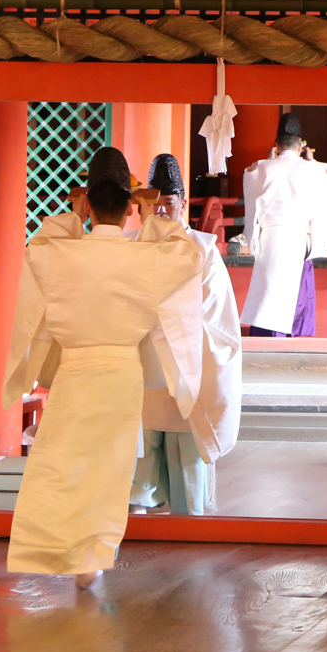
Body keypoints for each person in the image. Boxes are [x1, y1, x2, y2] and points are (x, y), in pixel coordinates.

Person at [2, 178, 203, 589]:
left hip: (76, 372)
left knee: (61, 463)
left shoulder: (59, 251)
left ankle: (53, 551)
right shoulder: (145, 257)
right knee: (110, 468)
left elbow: (39, 244)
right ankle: (92, 557)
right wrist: (151, 219)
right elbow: (185, 252)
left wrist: (75, 216)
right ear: (131, 207)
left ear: (88, 205)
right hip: (120, 372)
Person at [129, 153, 243, 515]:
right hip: (137, 373)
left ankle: (188, 529)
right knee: (137, 468)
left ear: (182, 206)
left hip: (185, 374)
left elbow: (217, 319)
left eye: (168, 203)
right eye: (153, 204)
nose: (160, 212)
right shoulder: (126, 248)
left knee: (187, 470)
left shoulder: (203, 251)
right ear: (140, 207)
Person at [240, 112, 327, 337]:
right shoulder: (316, 171)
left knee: (267, 295)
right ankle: (297, 341)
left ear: (276, 145)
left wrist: (252, 239)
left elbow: (251, 207)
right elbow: (324, 204)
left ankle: (265, 340)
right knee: (296, 296)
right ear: (301, 145)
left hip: (269, 240)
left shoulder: (259, 170)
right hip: (297, 241)